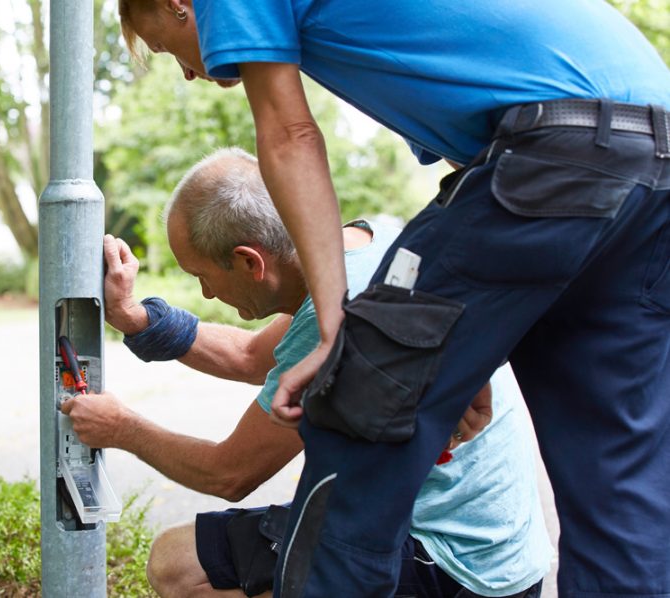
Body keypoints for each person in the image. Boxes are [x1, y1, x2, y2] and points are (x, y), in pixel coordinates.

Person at [113, 1, 670, 594]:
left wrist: (340, 332)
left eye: (171, 49)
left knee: (357, 413)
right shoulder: (379, 222)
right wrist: (460, 346)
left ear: (180, 4)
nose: (189, 74)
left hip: (554, 143)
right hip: (653, 148)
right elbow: (482, 163)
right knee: (615, 477)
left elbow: (290, 133)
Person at [62, 148, 551, 597]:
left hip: (452, 568)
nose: (207, 294)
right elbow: (252, 357)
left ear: (249, 262)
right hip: (507, 558)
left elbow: (229, 473)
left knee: (179, 565)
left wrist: (121, 428)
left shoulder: (337, 314)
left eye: (201, 277)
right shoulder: (367, 246)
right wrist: (139, 319)